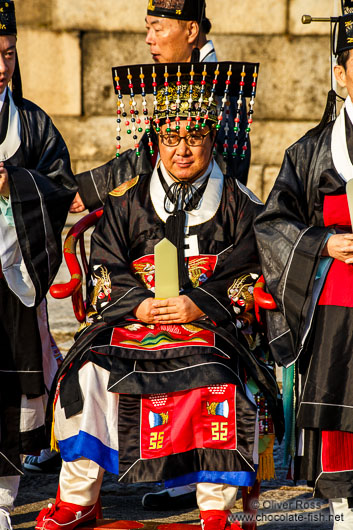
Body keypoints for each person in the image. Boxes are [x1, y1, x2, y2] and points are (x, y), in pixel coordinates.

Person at [36, 62, 282, 530]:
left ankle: (216, 507)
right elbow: (106, 261)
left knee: (216, 376)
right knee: (87, 372)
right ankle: (78, 498)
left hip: (208, 325)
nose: (182, 150)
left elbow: (250, 268)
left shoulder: (240, 203)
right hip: (134, 320)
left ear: (213, 139)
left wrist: (199, 303)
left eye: (193, 138)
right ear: (157, 141)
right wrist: (138, 304)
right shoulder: (127, 199)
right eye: (171, 139)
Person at [254, 6, 353, 529]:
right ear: (340, 75)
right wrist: (324, 242)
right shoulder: (312, 151)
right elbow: (273, 224)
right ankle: (342, 499)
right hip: (336, 287)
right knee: (338, 386)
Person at [0, 2, 77, 529]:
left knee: (11, 395)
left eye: (7, 54)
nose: (0, 65)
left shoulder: (31, 122)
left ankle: (2, 503)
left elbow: (63, 185)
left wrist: (16, 186)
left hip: (13, 273)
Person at [70, 0, 250, 214]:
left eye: (157, 29)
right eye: (148, 29)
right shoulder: (193, 79)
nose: (149, 40)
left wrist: (91, 188)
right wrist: (91, 187)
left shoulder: (215, 88)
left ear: (192, 30)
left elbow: (152, 158)